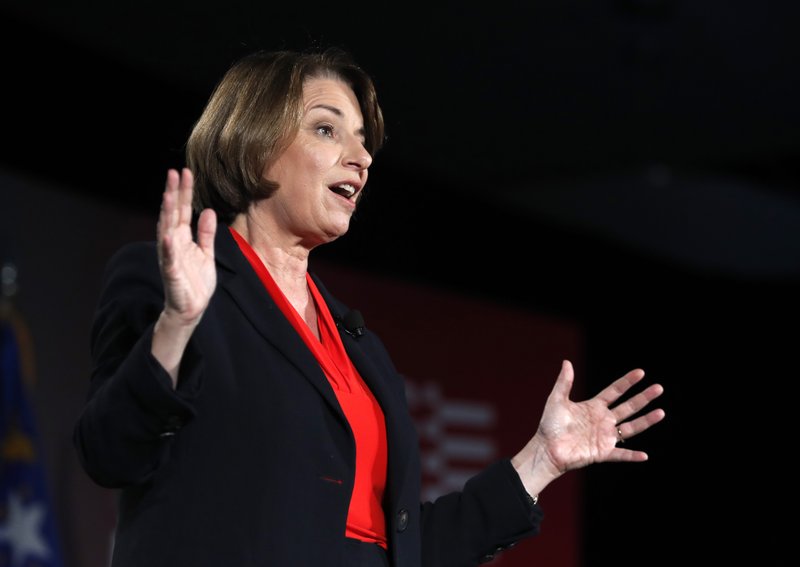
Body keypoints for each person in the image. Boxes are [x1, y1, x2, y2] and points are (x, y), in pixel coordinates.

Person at [73, 47, 665, 567]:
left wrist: (541, 461)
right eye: (327, 130)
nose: (362, 156)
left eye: (363, 139)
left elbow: (398, 550)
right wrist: (178, 325)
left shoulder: (360, 350)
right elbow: (109, 452)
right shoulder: (167, 282)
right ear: (253, 143)